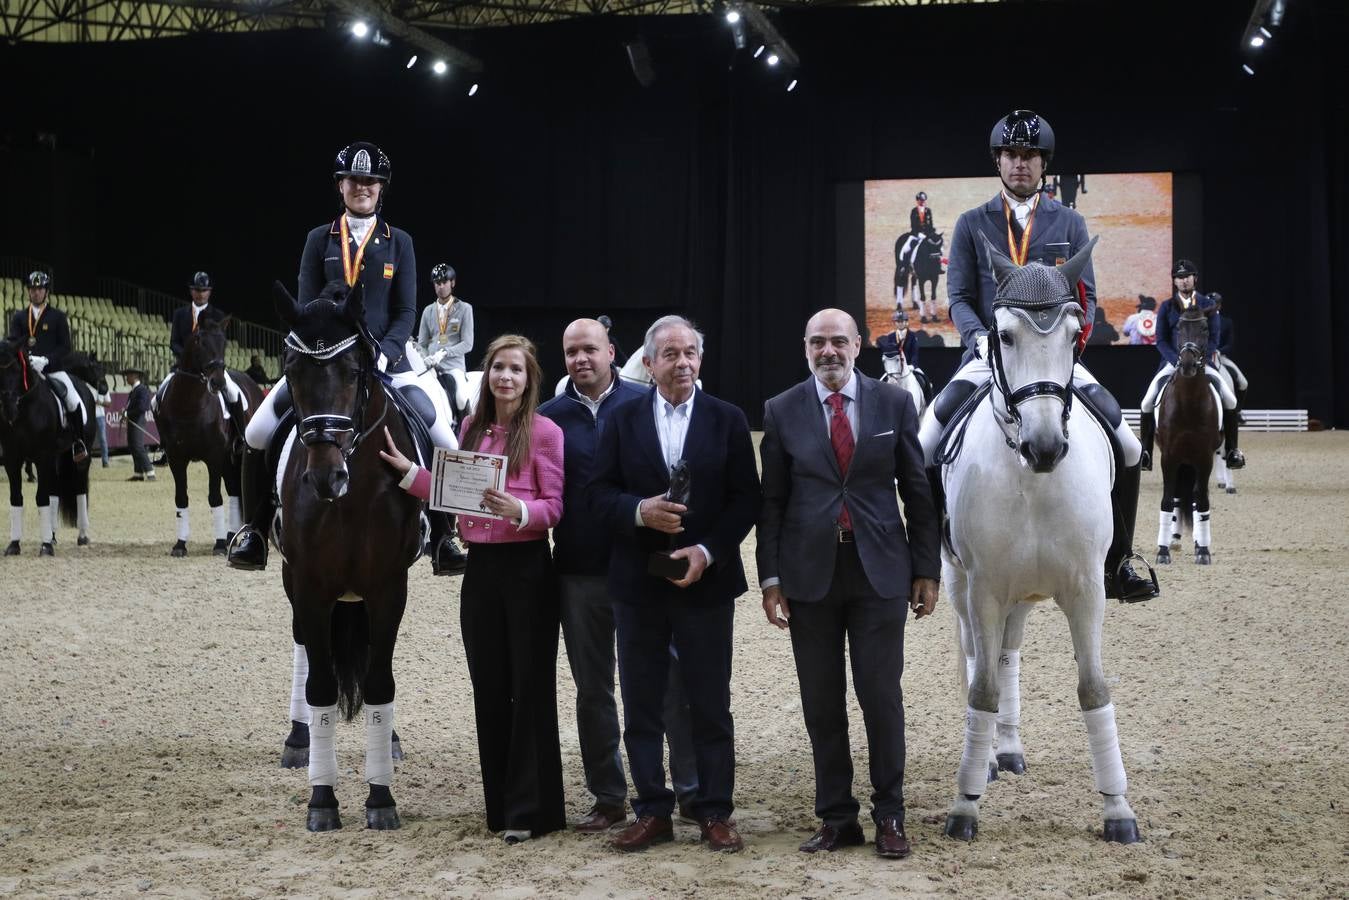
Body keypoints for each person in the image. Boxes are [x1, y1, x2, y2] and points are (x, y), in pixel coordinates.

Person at [917, 109, 1158, 603]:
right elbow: (958, 297)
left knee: (1129, 445)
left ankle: (1120, 561)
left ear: (1044, 163)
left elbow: (1087, 296)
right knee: (924, 442)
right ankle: (928, 552)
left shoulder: (1070, 221)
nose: (1020, 163)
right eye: (1011, 154)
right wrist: (978, 338)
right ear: (998, 161)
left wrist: (1069, 347)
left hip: (1053, 360)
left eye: (1029, 155)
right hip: (991, 354)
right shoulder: (971, 223)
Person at [228, 141, 461, 574]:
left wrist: (385, 354)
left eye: (370, 181)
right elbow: (304, 306)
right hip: (327, 363)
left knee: (444, 437)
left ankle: (445, 536)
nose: (362, 187)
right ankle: (254, 530)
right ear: (341, 186)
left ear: (381, 188)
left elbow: (406, 311)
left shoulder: (399, 242)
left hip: (390, 361)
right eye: (354, 180)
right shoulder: (319, 239)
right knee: (258, 431)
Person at [757, 308, 939, 859]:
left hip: (879, 571)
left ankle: (890, 814)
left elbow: (918, 491)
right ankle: (837, 817)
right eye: (818, 342)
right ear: (805, 348)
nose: (828, 351)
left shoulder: (895, 403)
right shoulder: (781, 409)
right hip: (808, 575)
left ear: (858, 345)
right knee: (821, 702)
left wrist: (926, 569)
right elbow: (772, 502)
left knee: (880, 697)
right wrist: (771, 579)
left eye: (839, 341)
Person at [379, 334, 566, 844]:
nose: (506, 376)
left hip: (528, 568)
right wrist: (410, 474)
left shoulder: (546, 432)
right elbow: (451, 492)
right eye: (499, 367)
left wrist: (520, 510)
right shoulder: (470, 429)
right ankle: (501, 807)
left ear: (529, 380)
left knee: (529, 685)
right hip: (481, 570)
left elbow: (555, 506)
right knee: (489, 685)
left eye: (516, 369)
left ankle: (532, 809)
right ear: (488, 375)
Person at [587, 316, 761, 853]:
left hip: (705, 583)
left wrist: (707, 551)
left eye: (690, 353)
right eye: (670, 354)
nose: (682, 362)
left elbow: (746, 500)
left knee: (709, 703)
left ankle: (714, 811)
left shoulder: (728, 419)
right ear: (648, 363)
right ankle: (652, 811)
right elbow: (597, 495)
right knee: (641, 704)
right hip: (639, 584)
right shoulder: (621, 418)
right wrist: (639, 511)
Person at [537, 318, 699, 834]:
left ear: (612, 352)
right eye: (571, 352)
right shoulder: (548, 418)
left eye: (590, 349)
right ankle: (608, 796)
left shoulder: (645, 403)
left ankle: (691, 790)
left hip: (646, 568)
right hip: (580, 570)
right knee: (593, 689)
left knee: (668, 681)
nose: (580, 359)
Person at [1137, 259, 1245, 470]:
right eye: (1179, 277)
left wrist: (1201, 359)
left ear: (1194, 279)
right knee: (1147, 401)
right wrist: (1175, 360)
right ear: (1174, 282)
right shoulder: (1167, 307)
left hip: (1203, 364)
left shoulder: (1207, 305)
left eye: (1187, 276)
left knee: (1230, 399)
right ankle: (1146, 453)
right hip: (1173, 363)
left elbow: (1214, 338)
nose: (1183, 280)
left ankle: (1232, 450)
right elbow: (1161, 340)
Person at [7, 271, 87, 461]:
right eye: (32, 289)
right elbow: (12, 343)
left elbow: (65, 347)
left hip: (52, 370)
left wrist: (46, 360)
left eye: (39, 289)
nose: (36, 292)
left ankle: (78, 441)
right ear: (28, 291)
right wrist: (26, 358)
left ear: (46, 291)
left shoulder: (57, 317)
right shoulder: (19, 317)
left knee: (73, 400)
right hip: (26, 371)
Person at [155, 272, 248, 429]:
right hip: (184, 368)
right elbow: (174, 342)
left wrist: (211, 362)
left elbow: (219, 345)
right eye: (197, 290)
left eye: (204, 290)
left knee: (234, 393)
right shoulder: (180, 314)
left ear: (209, 292)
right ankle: (165, 439)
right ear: (191, 291)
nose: (200, 294)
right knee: (157, 397)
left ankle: (241, 434)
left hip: (211, 367)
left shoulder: (218, 315)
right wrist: (186, 358)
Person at [416, 263, 474, 421]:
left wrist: (445, 353)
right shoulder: (428, 311)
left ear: (452, 283)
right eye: (437, 283)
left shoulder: (464, 309)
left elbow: (467, 344)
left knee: (461, 397)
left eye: (444, 282)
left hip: (453, 366)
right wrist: (425, 357)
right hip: (431, 366)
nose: (441, 287)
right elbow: (422, 343)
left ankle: (464, 429)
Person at [1210, 292, 1249, 415]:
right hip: (1204, 357)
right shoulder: (1200, 320)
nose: (1212, 306)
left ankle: (1237, 411)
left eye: (1215, 304)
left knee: (1243, 383)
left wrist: (1219, 351)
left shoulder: (1226, 322)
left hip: (1220, 356)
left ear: (1219, 306)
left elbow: (1230, 344)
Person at [122, 368, 155, 481]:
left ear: (134, 376)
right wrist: (126, 413)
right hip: (133, 420)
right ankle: (138, 473)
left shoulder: (142, 390)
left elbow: (142, 407)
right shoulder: (134, 391)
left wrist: (128, 413)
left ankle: (150, 472)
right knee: (133, 446)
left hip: (138, 420)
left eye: (128, 376)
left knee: (138, 446)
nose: (126, 378)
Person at [93, 385, 111, 467]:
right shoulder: (88, 386)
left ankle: (105, 461)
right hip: (89, 415)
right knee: (87, 438)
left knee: (103, 438)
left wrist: (100, 402)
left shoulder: (104, 388)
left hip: (100, 416)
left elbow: (109, 403)